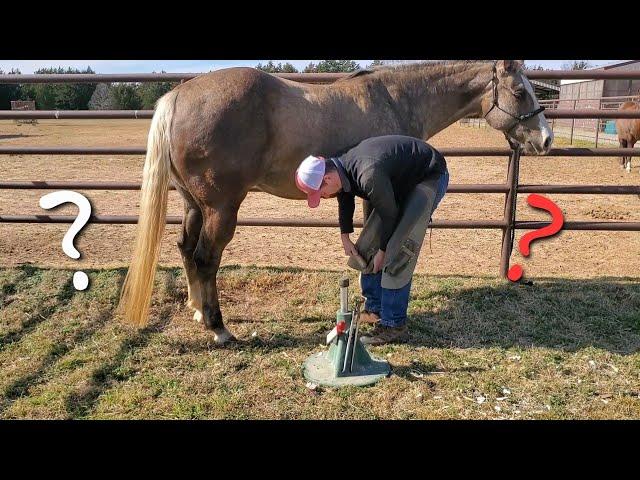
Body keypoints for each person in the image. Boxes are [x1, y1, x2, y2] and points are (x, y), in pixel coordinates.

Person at [295, 135, 449, 345]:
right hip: (400, 180)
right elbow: (345, 195)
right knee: (367, 246)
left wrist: (384, 252)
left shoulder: (368, 174)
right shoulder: (339, 165)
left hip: (428, 175)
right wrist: (345, 236)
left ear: (328, 179)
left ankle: (393, 324)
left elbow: (390, 216)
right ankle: (374, 309)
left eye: (320, 193)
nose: (323, 197)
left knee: (398, 252)